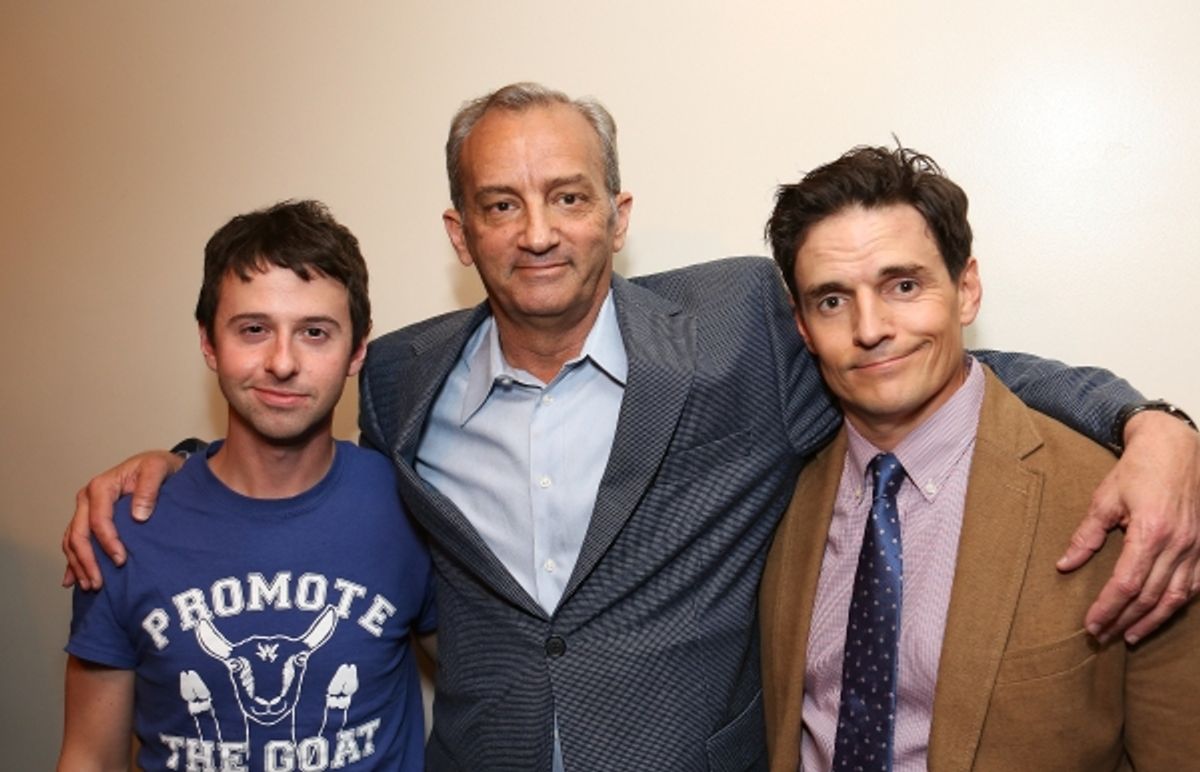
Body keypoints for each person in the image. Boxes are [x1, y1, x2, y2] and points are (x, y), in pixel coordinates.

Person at [63, 85, 1200, 771]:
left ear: (619, 213)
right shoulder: (401, 373)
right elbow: (290, 435)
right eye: (502, 205)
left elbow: (924, 361)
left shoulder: (742, 328)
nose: (539, 231)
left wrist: (1147, 420)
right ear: (461, 234)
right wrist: (181, 463)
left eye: (568, 195)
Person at [759, 145, 1200, 771]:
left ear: (966, 290)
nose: (870, 328)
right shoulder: (775, 482)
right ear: (802, 327)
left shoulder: (1122, 501)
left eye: (903, 285)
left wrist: (1168, 430)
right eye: (832, 301)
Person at [57, 201, 437, 771]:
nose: (282, 362)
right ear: (209, 343)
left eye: (315, 332)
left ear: (357, 350)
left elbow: (495, 687)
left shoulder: (409, 505)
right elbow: (90, 756)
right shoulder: (124, 528)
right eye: (253, 329)